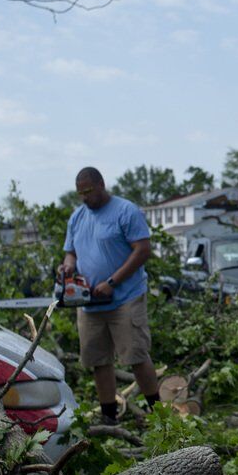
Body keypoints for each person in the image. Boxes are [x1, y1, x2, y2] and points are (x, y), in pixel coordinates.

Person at [59, 167, 160, 425]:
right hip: (90, 302)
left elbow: (143, 250)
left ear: (101, 185)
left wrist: (113, 281)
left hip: (125, 297)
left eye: (88, 191)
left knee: (135, 355)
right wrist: (68, 265)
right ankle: (108, 416)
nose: (84, 197)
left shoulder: (126, 211)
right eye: (80, 193)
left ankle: (160, 413)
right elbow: (71, 251)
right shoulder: (78, 217)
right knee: (98, 359)